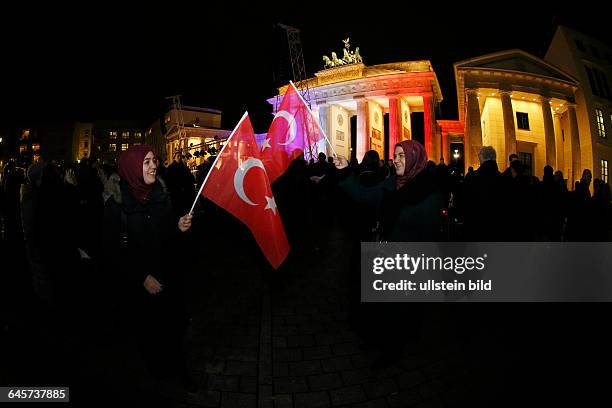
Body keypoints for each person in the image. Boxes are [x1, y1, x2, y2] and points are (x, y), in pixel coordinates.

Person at [102, 145, 196, 393]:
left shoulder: (161, 196)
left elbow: (166, 236)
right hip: (139, 287)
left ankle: (180, 373)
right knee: (150, 335)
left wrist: (178, 227)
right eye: (146, 162)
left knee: (174, 329)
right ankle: (157, 378)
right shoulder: (116, 205)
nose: (154, 165)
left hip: (168, 278)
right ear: (132, 167)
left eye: (154, 160)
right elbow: (111, 252)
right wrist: (141, 277)